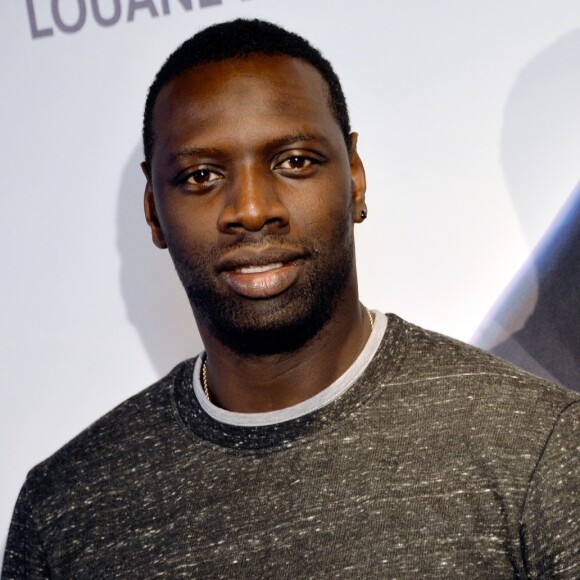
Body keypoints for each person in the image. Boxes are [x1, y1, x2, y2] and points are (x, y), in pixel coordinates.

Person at [3, 19, 579, 579]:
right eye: (201, 176)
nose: (251, 209)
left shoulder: (539, 449)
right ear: (153, 210)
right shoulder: (66, 512)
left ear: (354, 177)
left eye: (294, 162)